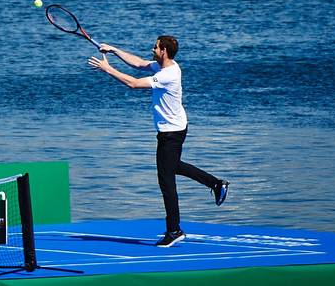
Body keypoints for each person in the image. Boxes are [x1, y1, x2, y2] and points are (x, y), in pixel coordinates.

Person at [89, 35, 230, 247]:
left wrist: (107, 69)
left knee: (166, 181)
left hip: (171, 133)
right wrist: (114, 50)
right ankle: (216, 184)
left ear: (164, 51)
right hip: (175, 129)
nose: (152, 49)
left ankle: (174, 230)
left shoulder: (168, 74)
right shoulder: (166, 66)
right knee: (174, 167)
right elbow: (138, 64)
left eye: (155, 47)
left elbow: (134, 84)